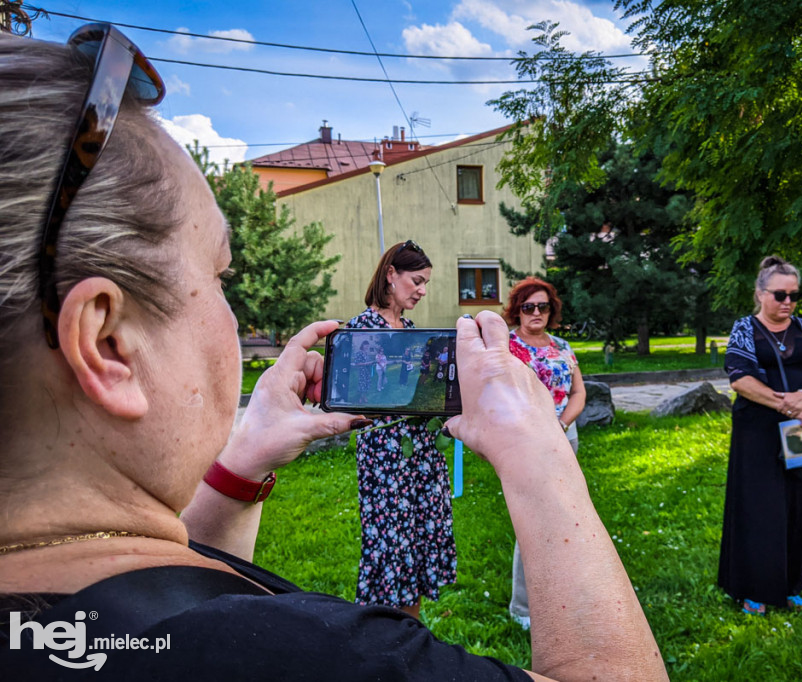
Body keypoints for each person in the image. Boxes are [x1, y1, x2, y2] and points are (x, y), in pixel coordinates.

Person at [0, 26, 669, 681]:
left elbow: (178, 593)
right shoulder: (313, 656)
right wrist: (542, 459)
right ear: (108, 344)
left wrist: (239, 470)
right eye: (219, 276)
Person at [719, 256, 802, 615]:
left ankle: (789, 586)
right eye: (780, 294)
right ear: (760, 293)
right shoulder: (744, 328)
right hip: (758, 431)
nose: (788, 302)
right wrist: (788, 405)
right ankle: (753, 589)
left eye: (794, 295)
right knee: (760, 507)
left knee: (797, 505)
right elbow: (740, 378)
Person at [345, 240, 455, 619]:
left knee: (419, 533)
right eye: (418, 281)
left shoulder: (408, 328)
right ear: (391, 275)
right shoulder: (362, 329)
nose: (423, 290)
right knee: (393, 540)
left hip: (421, 451)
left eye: (426, 283)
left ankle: (411, 627)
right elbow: (355, 396)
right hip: (386, 455)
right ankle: (385, 632)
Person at [501, 277, 587, 629]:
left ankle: (561, 596)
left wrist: (562, 425)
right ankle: (522, 607)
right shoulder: (506, 346)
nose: (536, 312)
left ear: (551, 311)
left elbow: (578, 392)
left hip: (565, 438)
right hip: (527, 442)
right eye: (528, 306)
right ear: (517, 310)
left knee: (564, 520)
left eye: (543, 306)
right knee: (533, 523)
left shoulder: (563, 346)